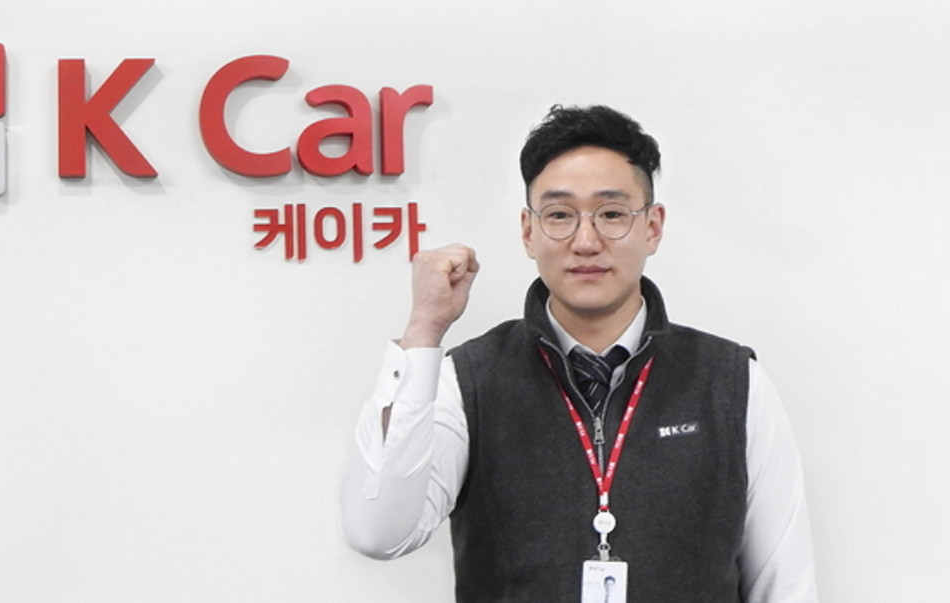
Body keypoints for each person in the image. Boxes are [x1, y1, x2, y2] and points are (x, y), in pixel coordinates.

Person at [340, 105, 818, 602]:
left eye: (611, 214)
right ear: (528, 232)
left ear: (653, 227)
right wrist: (423, 331)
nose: (586, 241)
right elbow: (378, 532)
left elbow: (786, 585)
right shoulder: (469, 381)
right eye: (560, 215)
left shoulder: (731, 382)